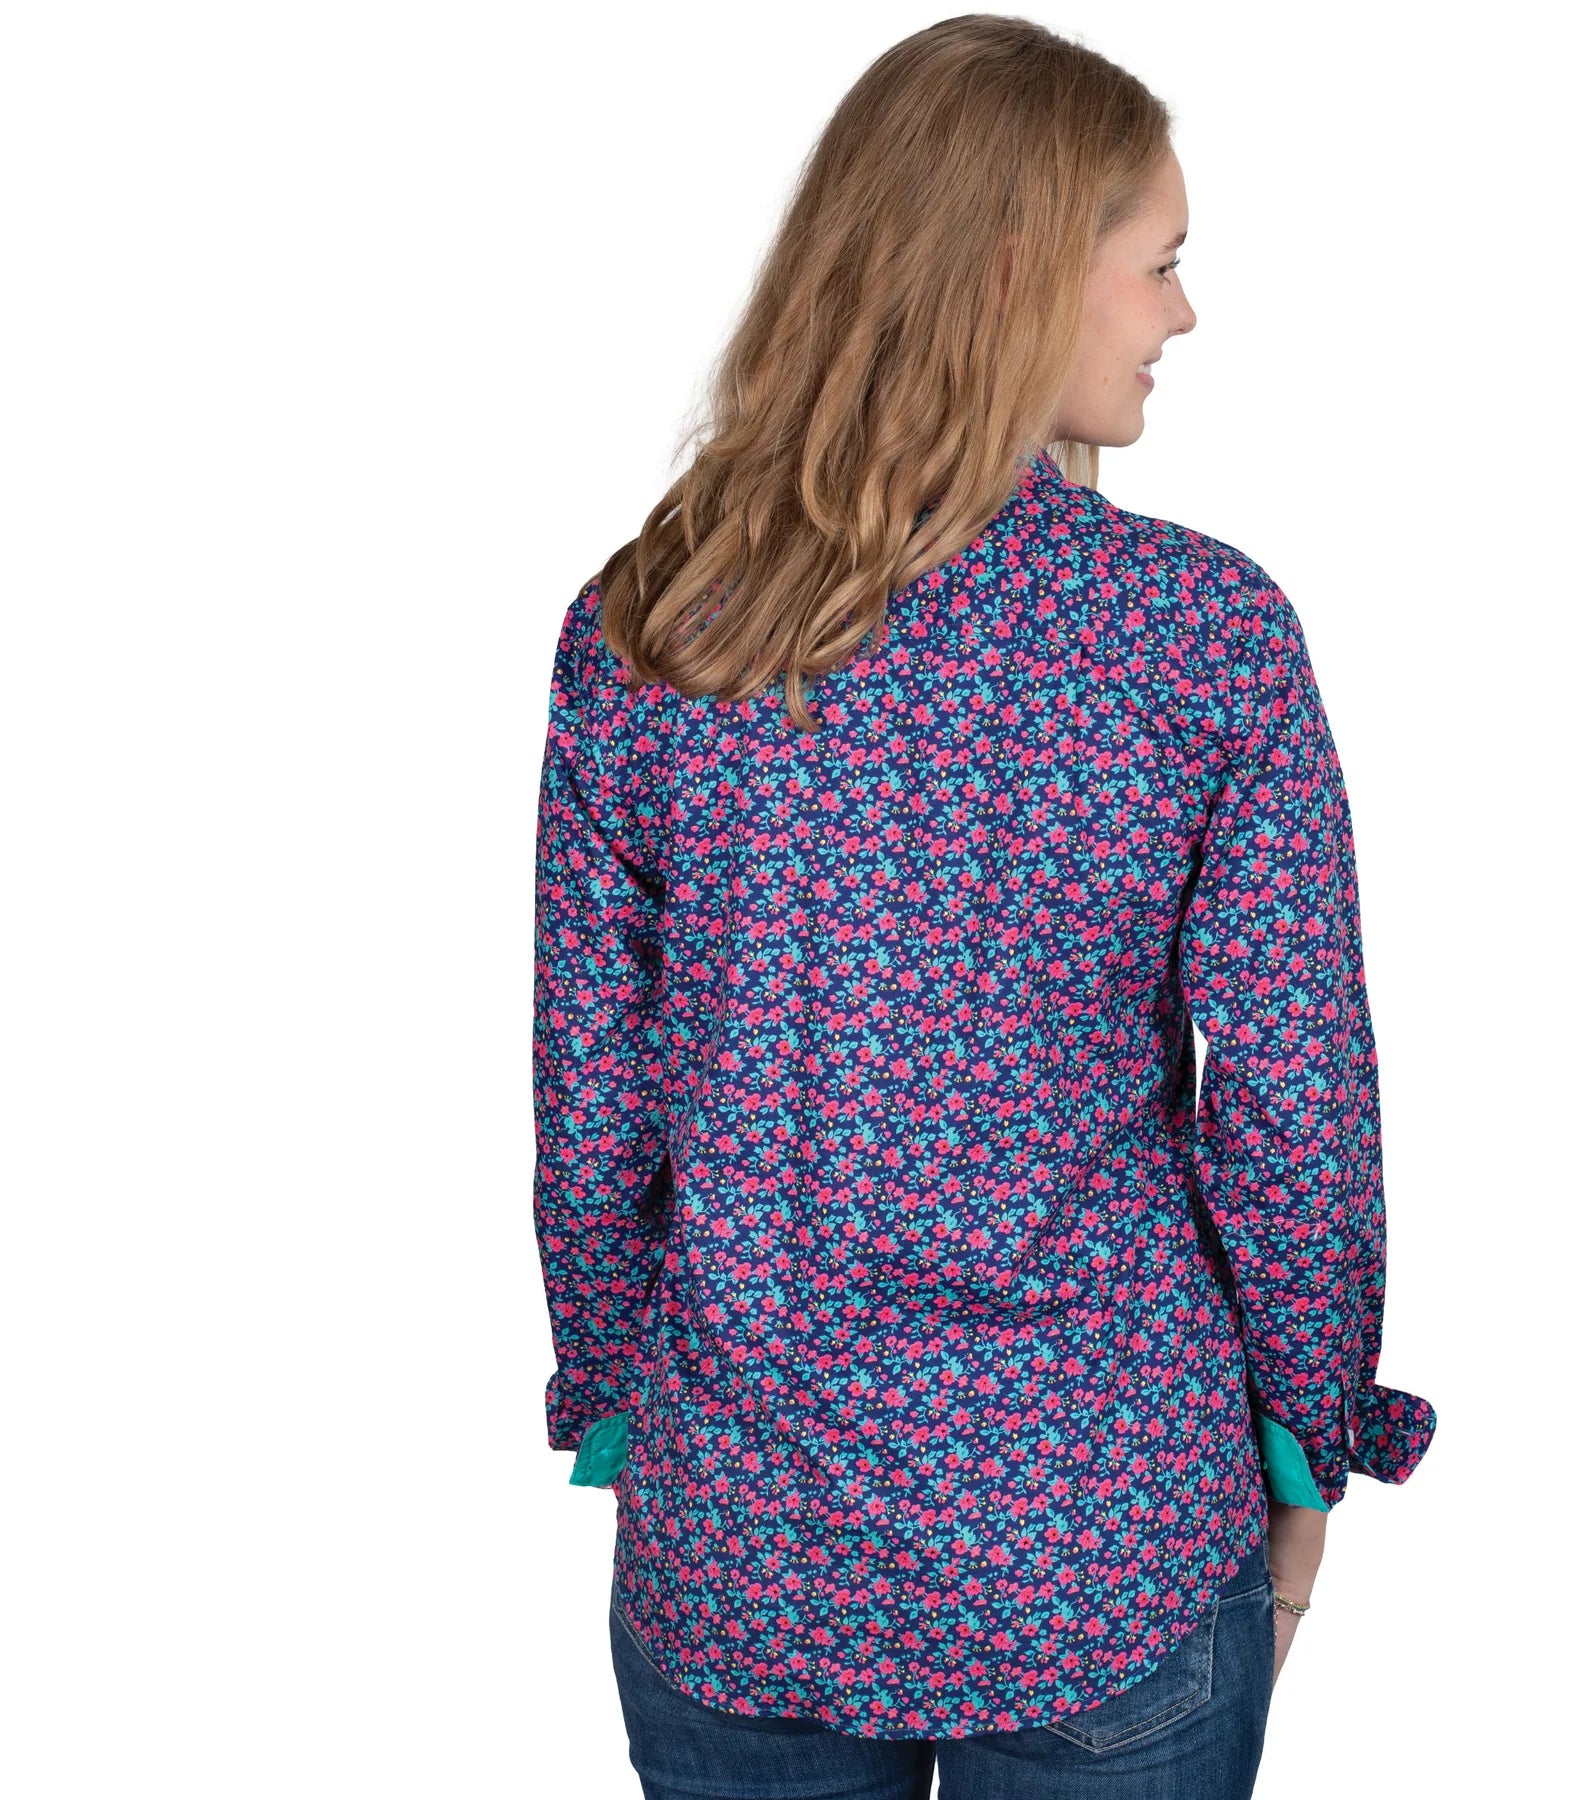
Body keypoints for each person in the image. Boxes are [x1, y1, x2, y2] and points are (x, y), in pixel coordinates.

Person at [530, 16, 1437, 1797]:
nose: (1185, 313)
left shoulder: (650, 624)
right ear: (1020, 274)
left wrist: (621, 1400)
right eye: (1160, 263)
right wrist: (1304, 1451)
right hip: (1107, 1545)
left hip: (742, 1551)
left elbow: (593, 1096)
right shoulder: (1201, 635)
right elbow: (1296, 1113)